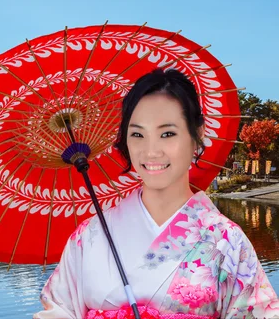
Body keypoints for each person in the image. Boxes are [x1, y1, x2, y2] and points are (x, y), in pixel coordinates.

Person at [33, 68, 279, 319]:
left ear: (198, 134)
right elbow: (58, 310)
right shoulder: (90, 236)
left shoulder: (226, 241)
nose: (151, 152)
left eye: (167, 134)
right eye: (138, 134)